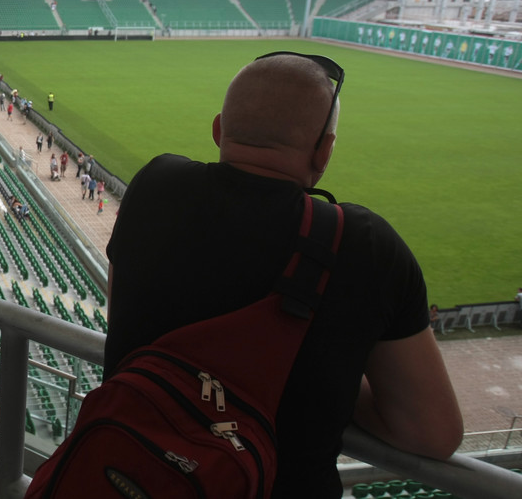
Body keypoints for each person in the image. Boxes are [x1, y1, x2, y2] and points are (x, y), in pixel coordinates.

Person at [104, 52, 463, 498]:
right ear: (325, 150)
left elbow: (122, 313)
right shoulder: (366, 245)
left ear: (218, 129)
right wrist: (328, 378)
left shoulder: (154, 185)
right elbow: (433, 433)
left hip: (128, 477)